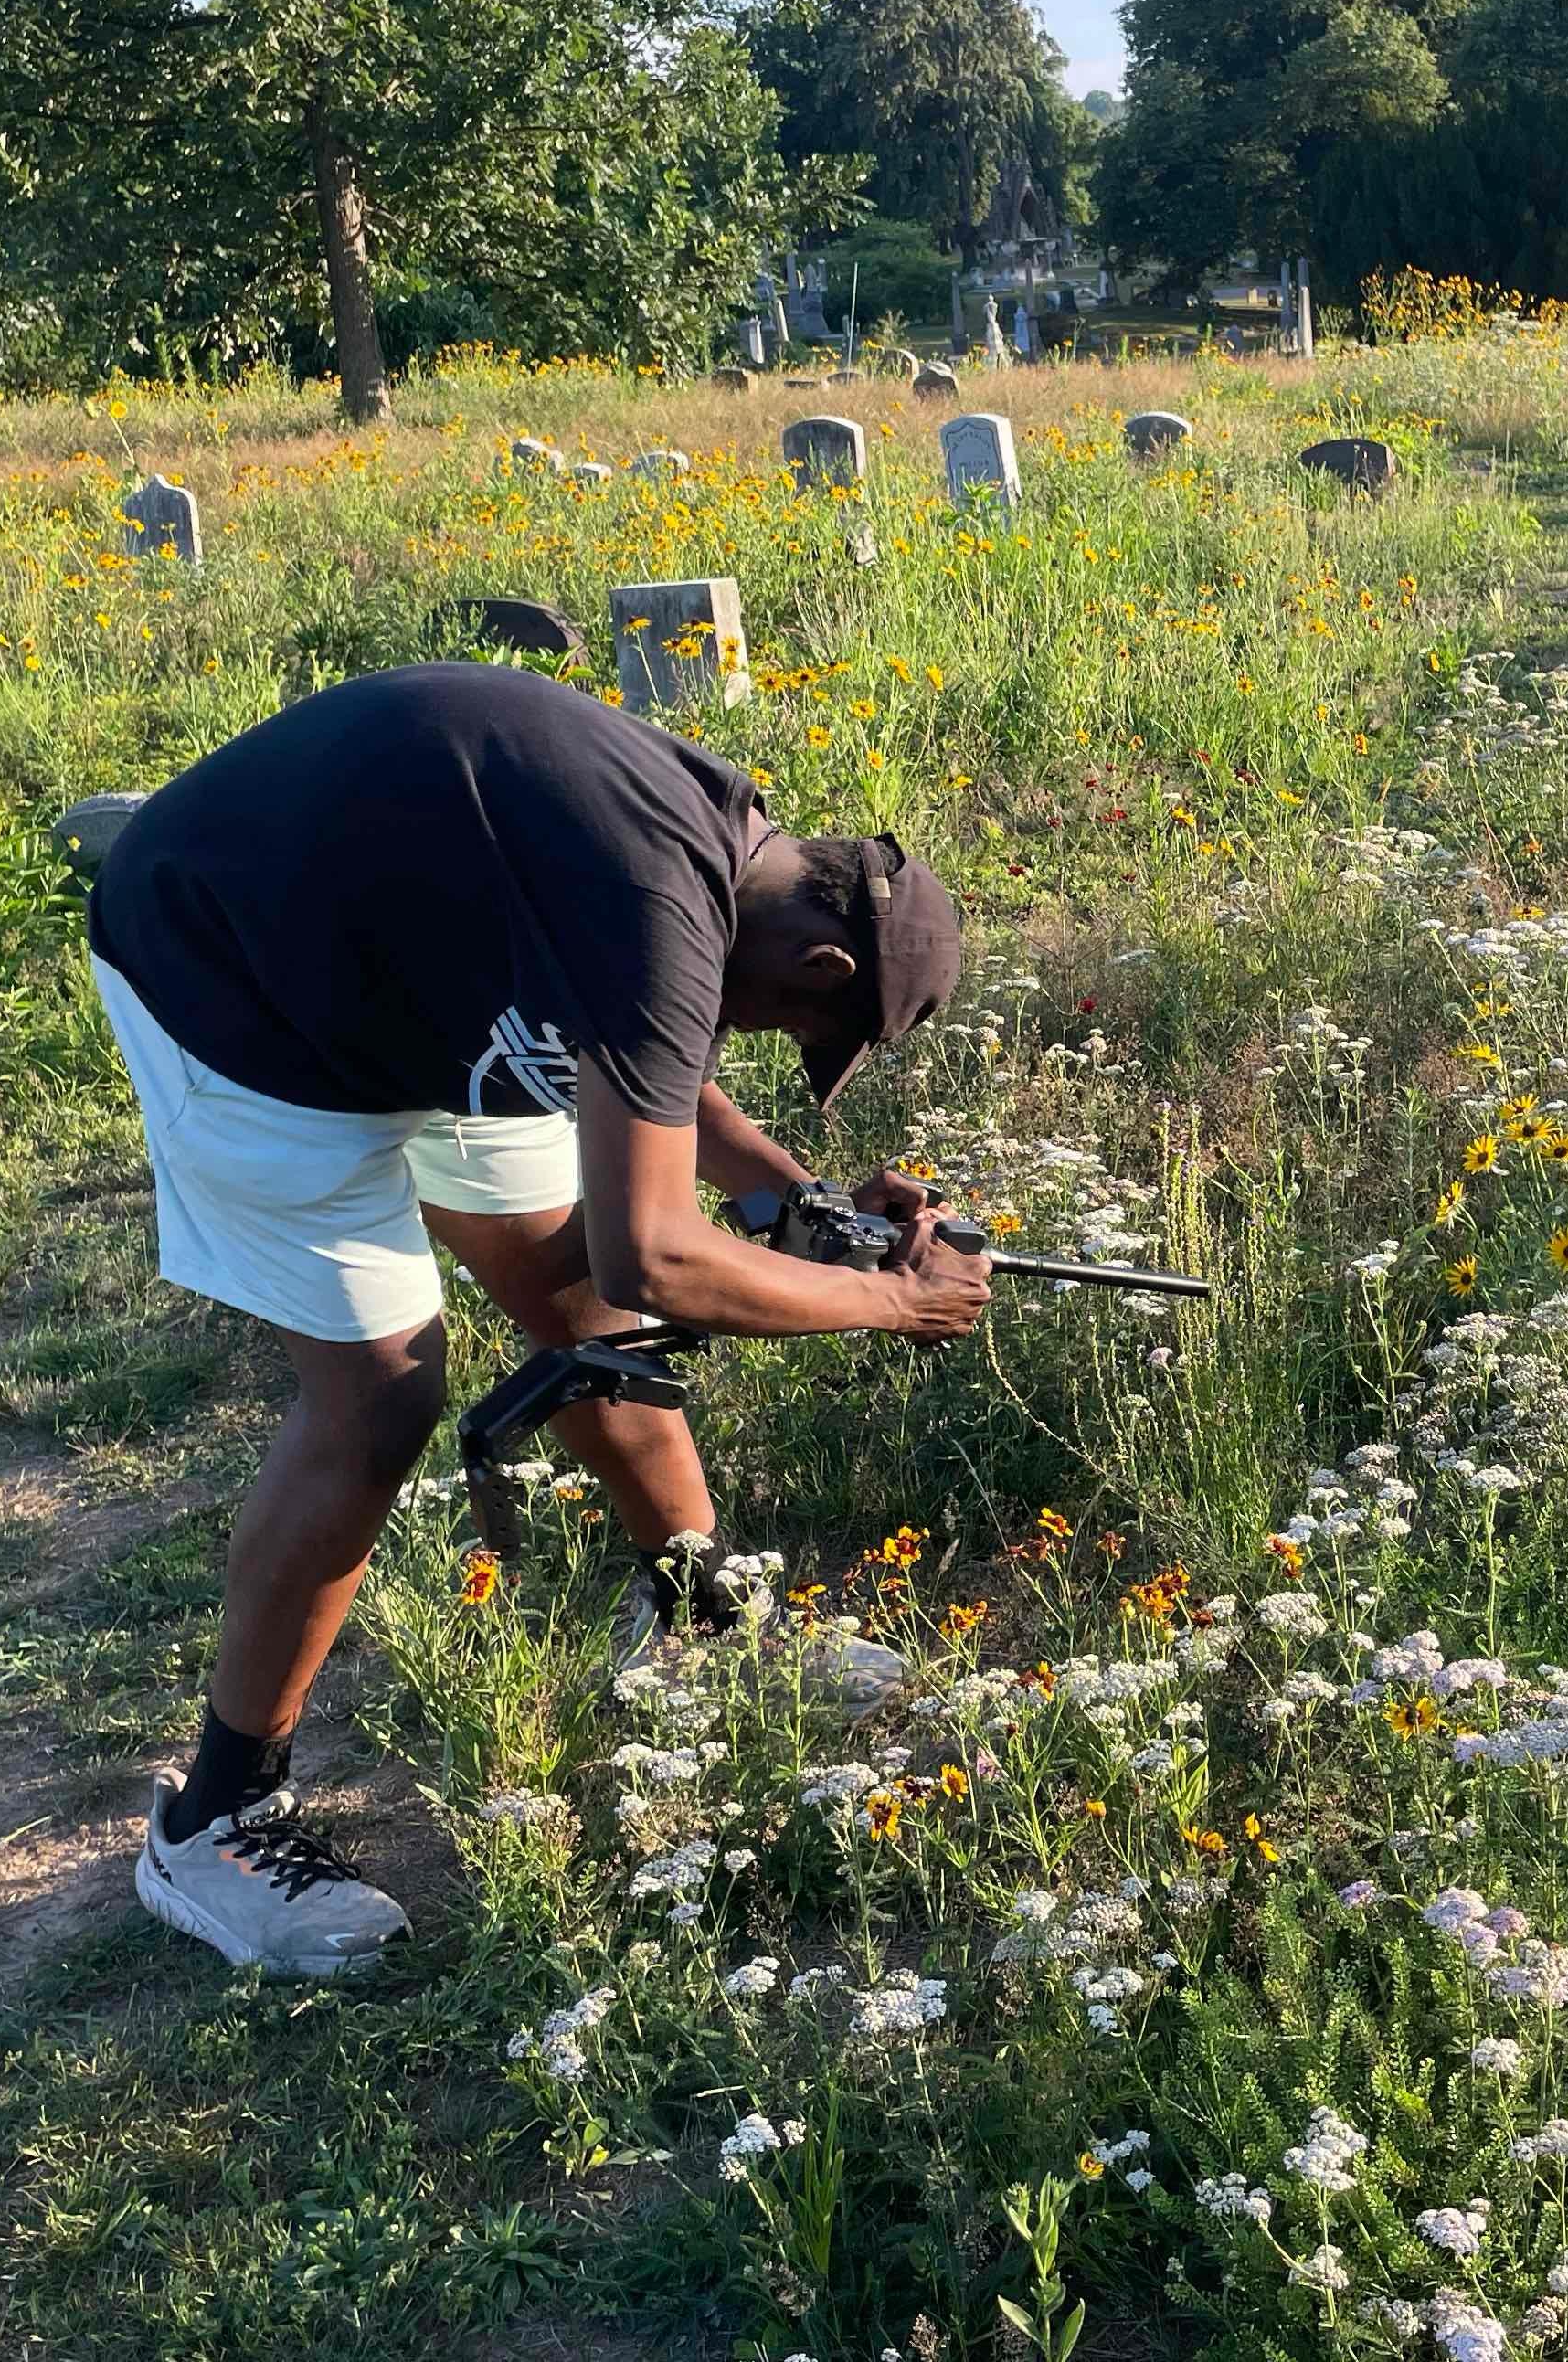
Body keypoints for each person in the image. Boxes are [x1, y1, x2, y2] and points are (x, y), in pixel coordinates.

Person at [82, 659, 992, 1975]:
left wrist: (801, 1204)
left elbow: (645, 1064)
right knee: (382, 1395)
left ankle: (706, 1626)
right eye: (789, 1023)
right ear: (824, 957)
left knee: (570, 1313)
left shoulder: (715, 854)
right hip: (231, 980)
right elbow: (657, 1260)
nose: (755, 1036)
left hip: (399, 968)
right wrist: (886, 1299)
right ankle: (215, 1820)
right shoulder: (663, 909)